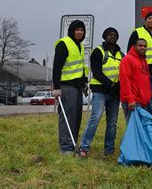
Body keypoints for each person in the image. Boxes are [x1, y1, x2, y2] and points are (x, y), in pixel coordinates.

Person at [79, 27, 123, 158]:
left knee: (112, 123)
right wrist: (110, 83)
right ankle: (84, 148)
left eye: (115, 35)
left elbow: (124, 72)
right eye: (110, 34)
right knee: (95, 118)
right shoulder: (98, 51)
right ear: (105, 36)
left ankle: (109, 150)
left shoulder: (121, 54)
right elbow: (96, 71)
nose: (112, 36)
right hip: (100, 91)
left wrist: (118, 86)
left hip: (115, 93)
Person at [52, 20, 88, 154]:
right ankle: (65, 147)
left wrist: (84, 82)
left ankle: (72, 144)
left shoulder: (80, 46)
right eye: (77, 30)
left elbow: (81, 66)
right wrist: (56, 87)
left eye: (82, 30)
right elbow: (57, 66)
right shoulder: (64, 43)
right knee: (67, 116)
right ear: (72, 30)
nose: (80, 32)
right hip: (66, 86)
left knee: (76, 116)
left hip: (77, 87)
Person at [127, 12, 152, 114]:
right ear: (145, 20)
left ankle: (148, 120)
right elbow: (130, 50)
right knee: (142, 97)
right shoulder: (137, 32)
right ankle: (142, 120)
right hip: (141, 70)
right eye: (149, 18)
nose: (151, 20)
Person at [120, 38, 151, 123]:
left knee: (140, 129)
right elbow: (125, 81)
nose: (143, 48)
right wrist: (130, 100)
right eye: (140, 45)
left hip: (142, 101)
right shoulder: (128, 59)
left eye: (144, 46)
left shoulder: (144, 60)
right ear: (134, 47)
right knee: (133, 129)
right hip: (133, 101)